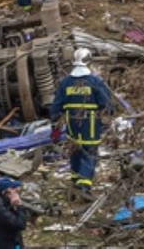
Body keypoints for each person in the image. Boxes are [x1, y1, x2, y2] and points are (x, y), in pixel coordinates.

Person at [48, 48, 115, 194]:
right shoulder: (94, 81)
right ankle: (84, 185)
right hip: (90, 122)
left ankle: (75, 179)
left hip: (71, 122)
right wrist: (109, 116)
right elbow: (106, 103)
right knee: (89, 151)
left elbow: (56, 106)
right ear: (88, 61)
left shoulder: (66, 82)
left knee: (75, 149)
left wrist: (55, 127)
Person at [0, 177, 31, 249]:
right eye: (15, 192)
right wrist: (20, 206)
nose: (18, 195)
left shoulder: (7, 205)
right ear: (6, 193)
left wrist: (16, 207)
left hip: (14, 244)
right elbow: (20, 225)